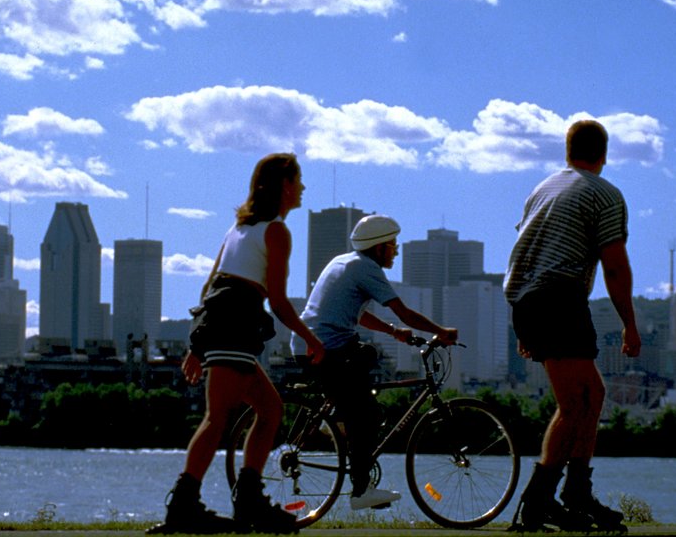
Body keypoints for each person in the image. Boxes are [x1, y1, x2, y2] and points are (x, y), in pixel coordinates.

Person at [148, 153, 325, 535]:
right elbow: (276, 300)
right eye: (299, 180)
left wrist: (199, 344)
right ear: (285, 185)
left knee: (269, 409)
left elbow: (210, 286)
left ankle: (246, 500)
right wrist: (311, 338)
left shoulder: (238, 229)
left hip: (226, 321)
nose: (304, 188)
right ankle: (186, 507)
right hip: (237, 321)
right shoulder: (276, 231)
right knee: (218, 416)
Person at [504, 119, 641, 532]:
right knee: (577, 403)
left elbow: (525, 249)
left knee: (590, 395)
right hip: (558, 296)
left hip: (527, 298)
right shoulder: (604, 193)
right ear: (604, 153)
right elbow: (615, 268)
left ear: (568, 151)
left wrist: (525, 323)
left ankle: (575, 493)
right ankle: (540, 502)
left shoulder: (543, 188)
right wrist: (630, 326)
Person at [291, 214, 458, 511]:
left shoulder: (344, 262)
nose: (396, 249)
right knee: (366, 414)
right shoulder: (367, 268)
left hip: (309, 345)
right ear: (379, 247)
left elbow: (357, 314)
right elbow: (404, 312)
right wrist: (441, 332)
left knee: (364, 359)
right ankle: (360, 489)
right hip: (326, 349)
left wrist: (394, 333)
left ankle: (341, 420)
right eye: (392, 244)